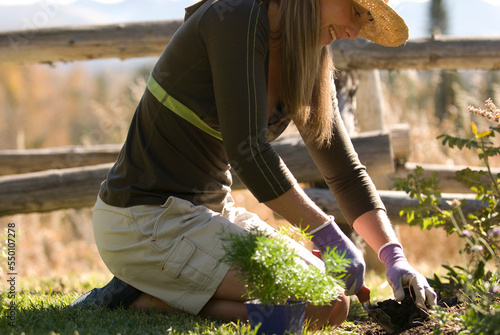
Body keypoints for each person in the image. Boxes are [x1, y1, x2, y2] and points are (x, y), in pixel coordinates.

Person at [72, 0, 437, 328]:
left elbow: (344, 172)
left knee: (332, 304)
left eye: (366, 19)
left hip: (209, 215)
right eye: (355, 11)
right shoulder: (238, 16)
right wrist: (326, 233)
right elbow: (248, 151)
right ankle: (141, 299)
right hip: (144, 219)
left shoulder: (308, 55)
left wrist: (393, 257)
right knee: (320, 304)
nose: (355, 30)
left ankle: (164, 282)